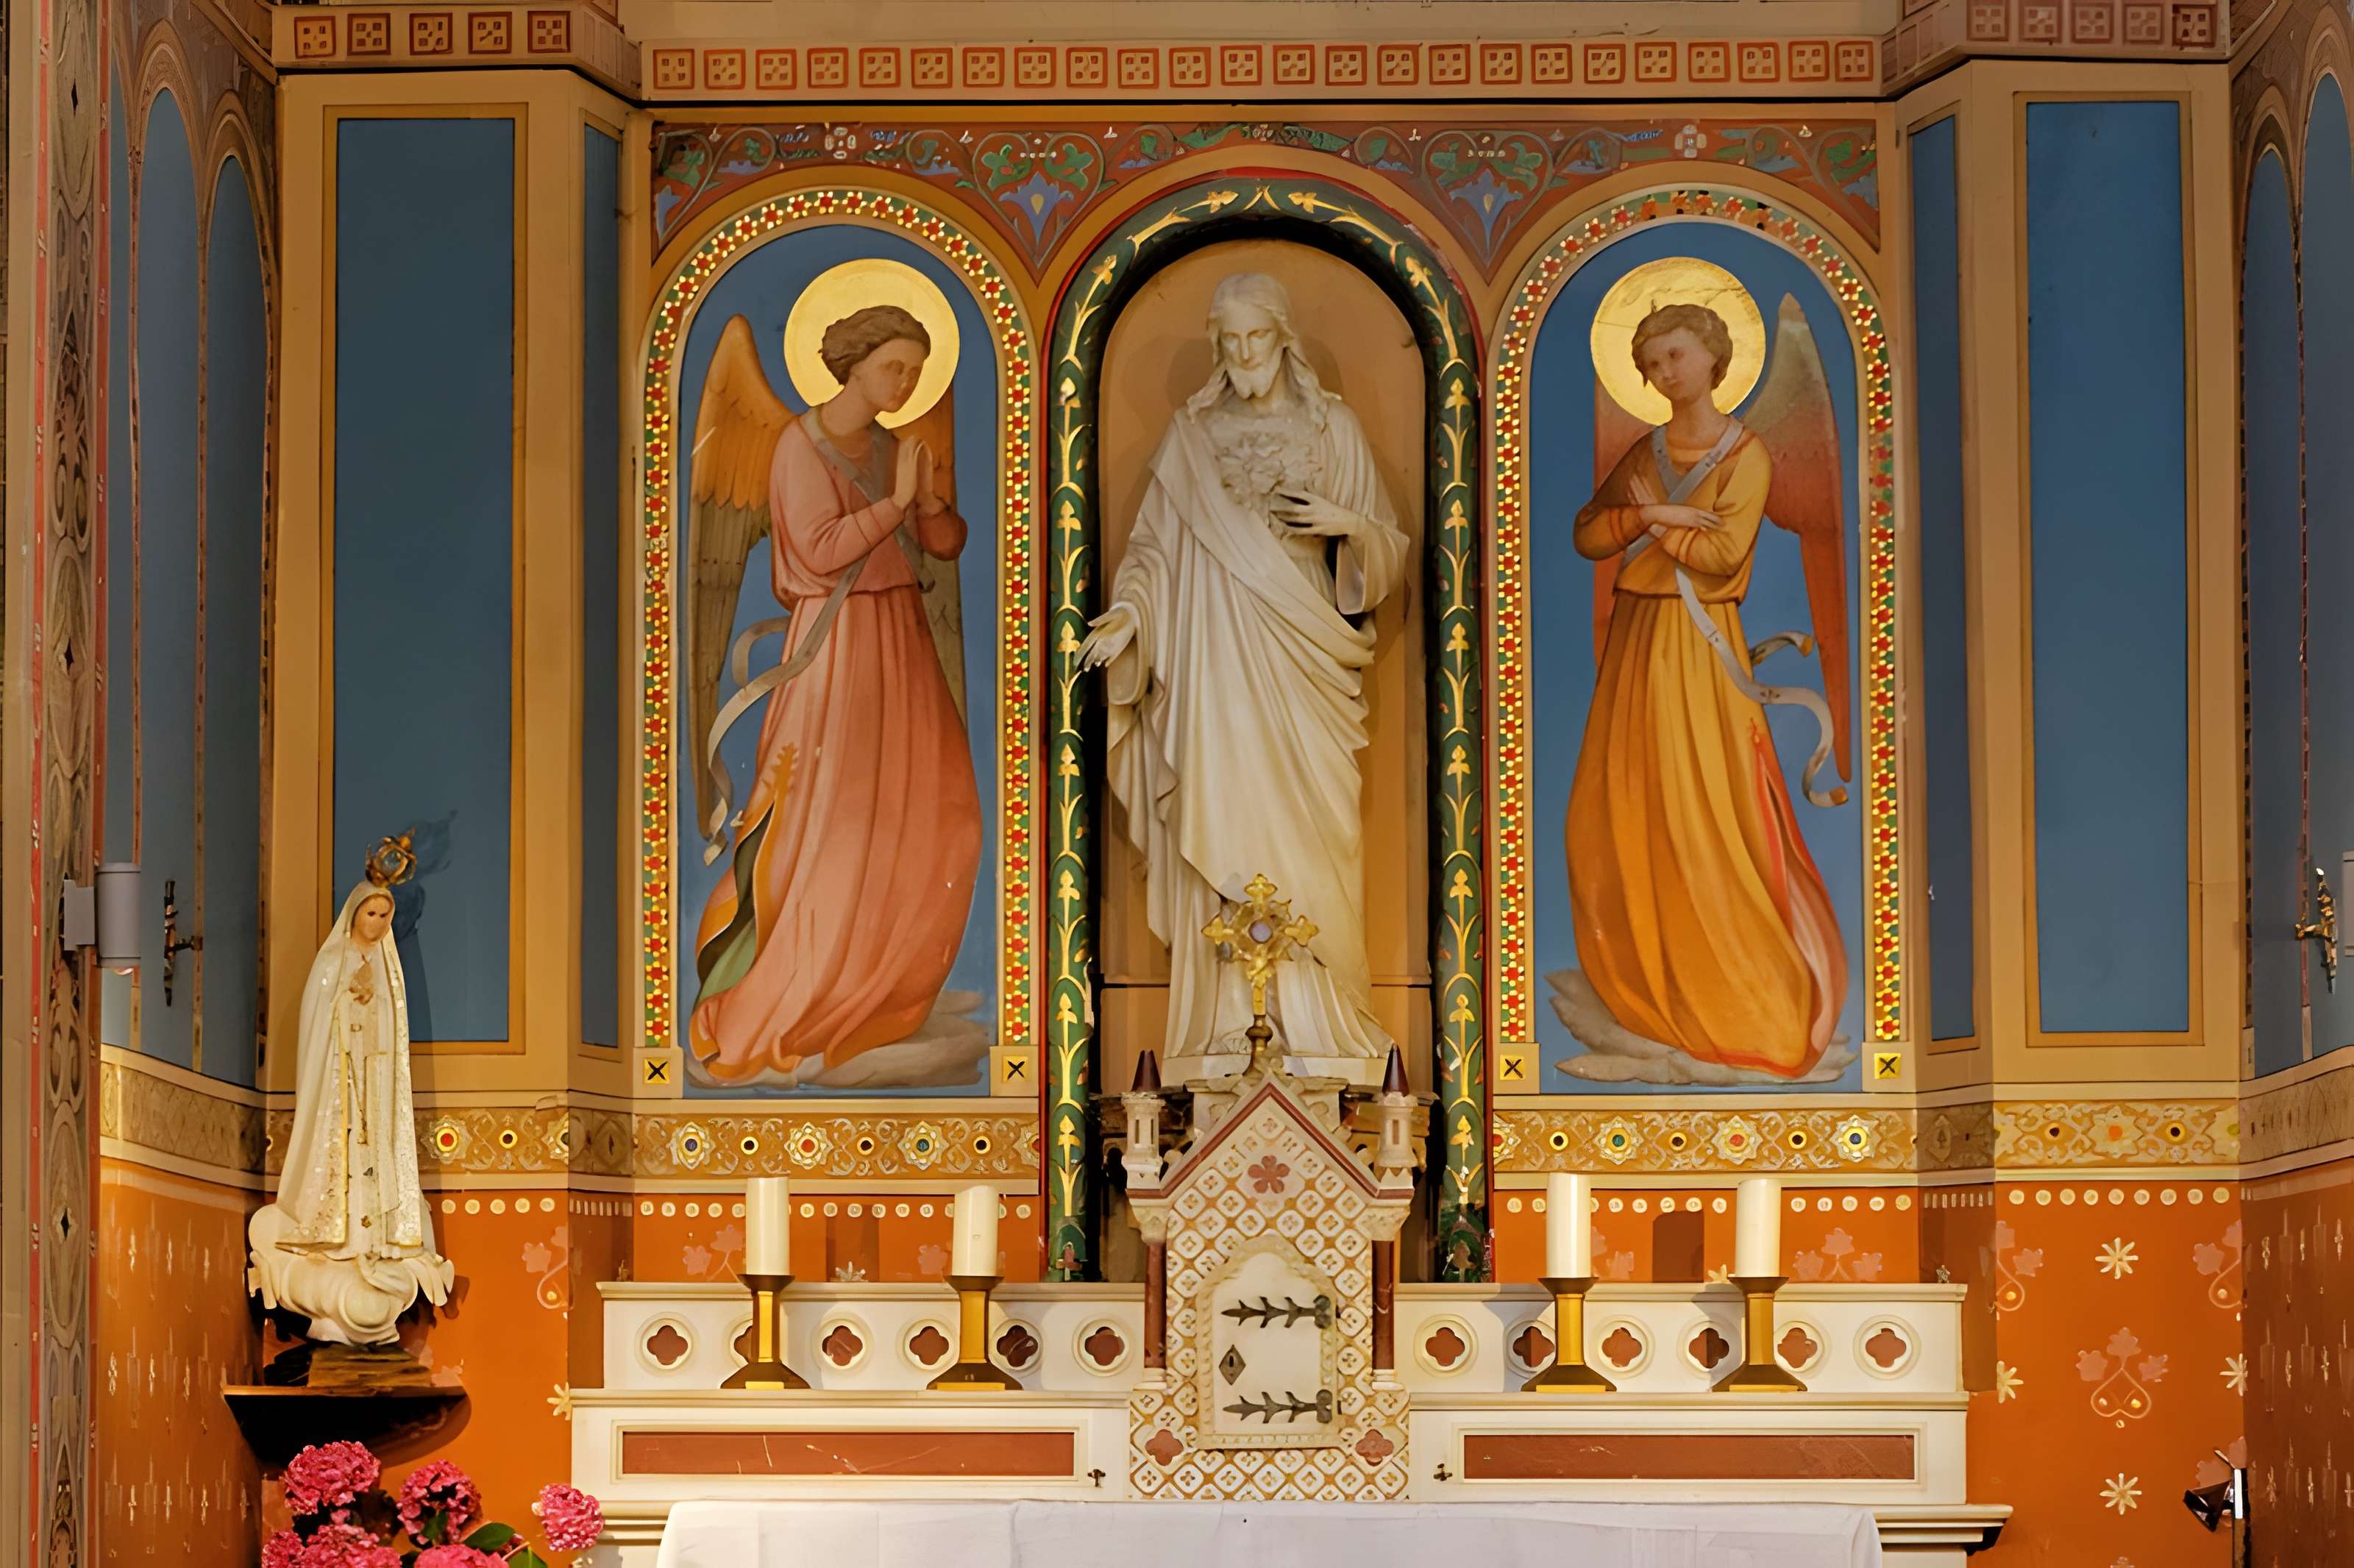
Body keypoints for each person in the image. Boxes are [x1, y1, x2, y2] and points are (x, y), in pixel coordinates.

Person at [1080, 272, 1409, 1077]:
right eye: (1224, 341)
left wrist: (1347, 528)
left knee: (1314, 832)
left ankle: (1324, 1028)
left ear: (1282, 337)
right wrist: (1130, 616)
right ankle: (1223, 1027)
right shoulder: (1190, 437)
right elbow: (1154, 554)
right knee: (1216, 810)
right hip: (1211, 660)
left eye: (1253, 337)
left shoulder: (1332, 428)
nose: (1239, 354)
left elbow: (1388, 551)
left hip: (1301, 662)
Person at [688, 305, 983, 1086]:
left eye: (916, 371)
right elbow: (817, 554)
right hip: (837, 649)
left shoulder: (894, 448)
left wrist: (924, 502)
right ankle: (799, 994)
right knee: (832, 822)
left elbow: (944, 545)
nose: (906, 382)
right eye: (894, 366)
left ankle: (886, 980)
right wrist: (894, 505)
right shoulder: (796, 444)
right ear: (852, 363)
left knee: (934, 807)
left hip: (900, 639)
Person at [1561, 302, 1846, 1080]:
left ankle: (1741, 1003)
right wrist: (1651, 511)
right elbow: (1589, 531)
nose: (1663, 375)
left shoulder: (1743, 454)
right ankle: (1650, 993)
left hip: (1694, 648)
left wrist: (1646, 526)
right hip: (1634, 644)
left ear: (1715, 358)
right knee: (1611, 810)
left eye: (1675, 356)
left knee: (1703, 816)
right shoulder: (1643, 451)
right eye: (1650, 363)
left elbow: (1722, 554)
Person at [249, 880, 452, 1344]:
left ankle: (375, 1247)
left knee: (374, 1167)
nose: (379, 925)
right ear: (354, 914)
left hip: (376, 1085)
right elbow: (318, 1026)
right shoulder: (331, 965)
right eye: (372, 915)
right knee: (339, 1167)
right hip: (339, 1088)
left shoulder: (388, 970)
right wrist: (346, 1022)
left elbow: (395, 1031)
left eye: (386, 917)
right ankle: (337, 1248)